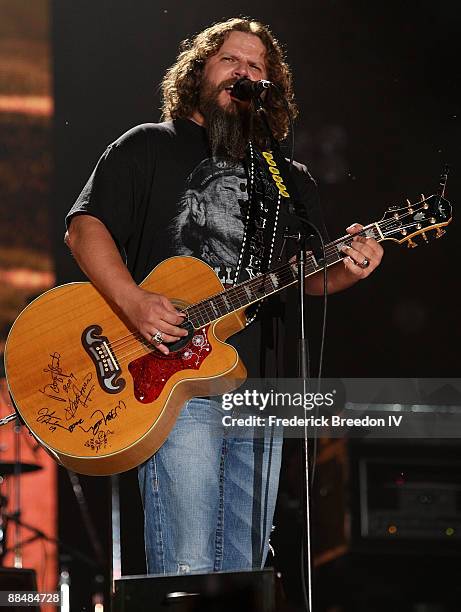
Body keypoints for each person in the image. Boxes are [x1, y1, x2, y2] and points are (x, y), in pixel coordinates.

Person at [65, 18, 383, 575]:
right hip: (172, 382)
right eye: (230, 60)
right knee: (188, 565)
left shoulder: (289, 178)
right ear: (198, 73)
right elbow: (84, 228)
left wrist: (347, 269)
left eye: (257, 66)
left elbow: (299, 275)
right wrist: (135, 302)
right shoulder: (148, 145)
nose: (244, 72)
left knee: (246, 571)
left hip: (260, 389)